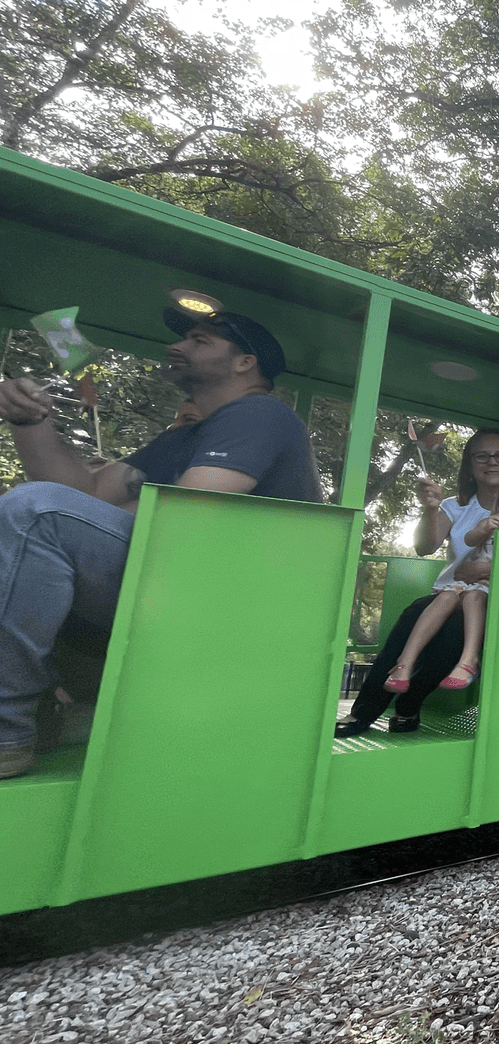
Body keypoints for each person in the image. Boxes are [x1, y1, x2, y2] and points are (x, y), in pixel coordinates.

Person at [0, 308, 321, 779]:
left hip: (230, 610)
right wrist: (31, 420)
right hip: (176, 590)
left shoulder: (259, 414)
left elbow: (185, 518)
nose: (178, 347)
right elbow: (80, 493)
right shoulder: (184, 437)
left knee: (35, 512)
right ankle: (65, 712)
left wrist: (82, 516)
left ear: (244, 363)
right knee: (31, 513)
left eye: (199, 340)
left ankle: (7, 731)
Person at [339, 428, 499, 737]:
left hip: (498, 601)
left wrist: (490, 570)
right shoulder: (456, 505)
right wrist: (431, 508)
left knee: (454, 633)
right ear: (470, 464)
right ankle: (363, 714)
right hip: (450, 594)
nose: (492, 462)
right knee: (413, 614)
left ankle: (409, 705)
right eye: (482, 455)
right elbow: (426, 546)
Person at [384, 480, 499, 694]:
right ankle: (405, 663)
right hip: (463, 583)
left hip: (494, 591)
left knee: (474, 596)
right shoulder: (492, 524)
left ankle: (469, 661)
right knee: (445, 597)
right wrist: (482, 529)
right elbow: (469, 540)